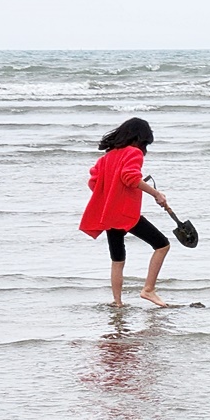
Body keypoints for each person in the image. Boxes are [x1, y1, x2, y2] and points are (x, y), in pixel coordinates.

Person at [80, 118, 171, 308]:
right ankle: (148, 289)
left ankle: (118, 303)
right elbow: (130, 177)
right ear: (141, 138)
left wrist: (110, 196)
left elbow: (93, 182)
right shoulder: (134, 153)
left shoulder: (106, 157)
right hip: (125, 213)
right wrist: (156, 194)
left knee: (117, 259)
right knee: (162, 245)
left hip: (110, 214)